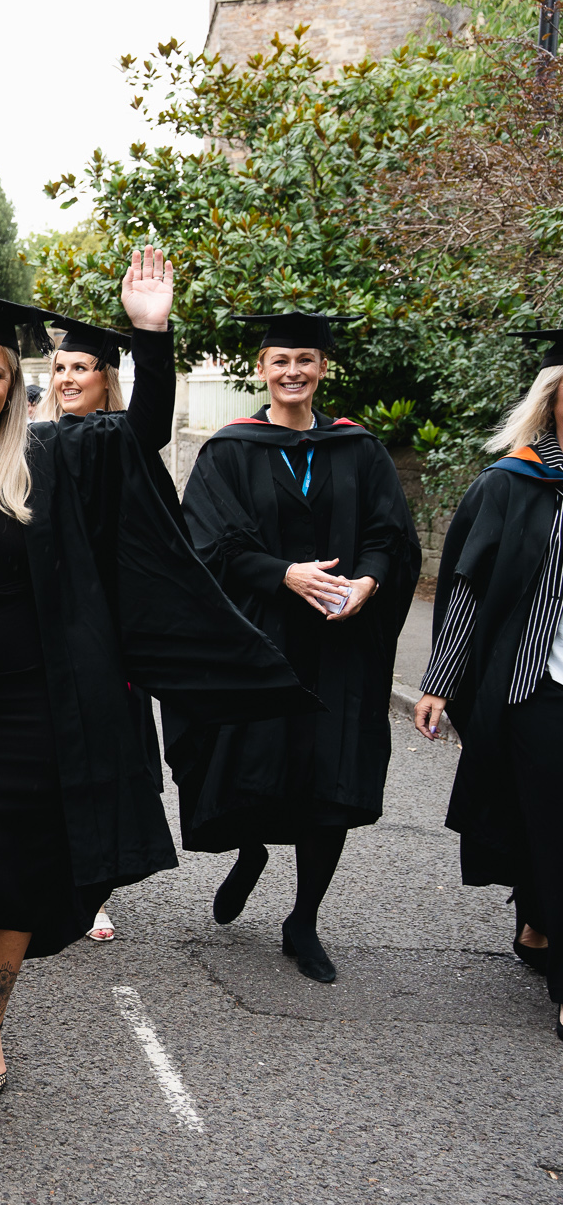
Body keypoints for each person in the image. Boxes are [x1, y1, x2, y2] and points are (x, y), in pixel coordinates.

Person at [0, 262, 311, 1116]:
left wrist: (152, 336)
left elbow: (141, 435)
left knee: (20, 877)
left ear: (12, 384)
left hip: (32, 709)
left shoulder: (54, 456)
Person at [166, 312, 421, 985]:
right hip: (259, 639)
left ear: (322, 370)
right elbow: (208, 543)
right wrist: (283, 572)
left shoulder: (357, 449)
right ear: (262, 369)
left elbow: (390, 533)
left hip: (340, 645)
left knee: (328, 779)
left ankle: (303, 918)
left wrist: (366, 580)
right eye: (281, 361)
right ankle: (249, 852)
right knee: (250, 762)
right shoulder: (230, 449)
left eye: (305, 360)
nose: (293, 372)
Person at [413, 328, 563, 1037]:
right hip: (538, 687)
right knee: (550, 821)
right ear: (553, 402)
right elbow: (469, 587)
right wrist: (439, 680)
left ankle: (537, 919)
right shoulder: (517, 481)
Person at [38, 299, 148, 944]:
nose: (69, 378)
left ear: (107, 377)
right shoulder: (34, 441)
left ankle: (94, 887)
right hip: (50, 619)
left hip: (109, 627)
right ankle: (61, 878)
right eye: (60, 367)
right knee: (51, 760)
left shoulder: (122, 442)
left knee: (108, 762)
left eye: (83, 367)